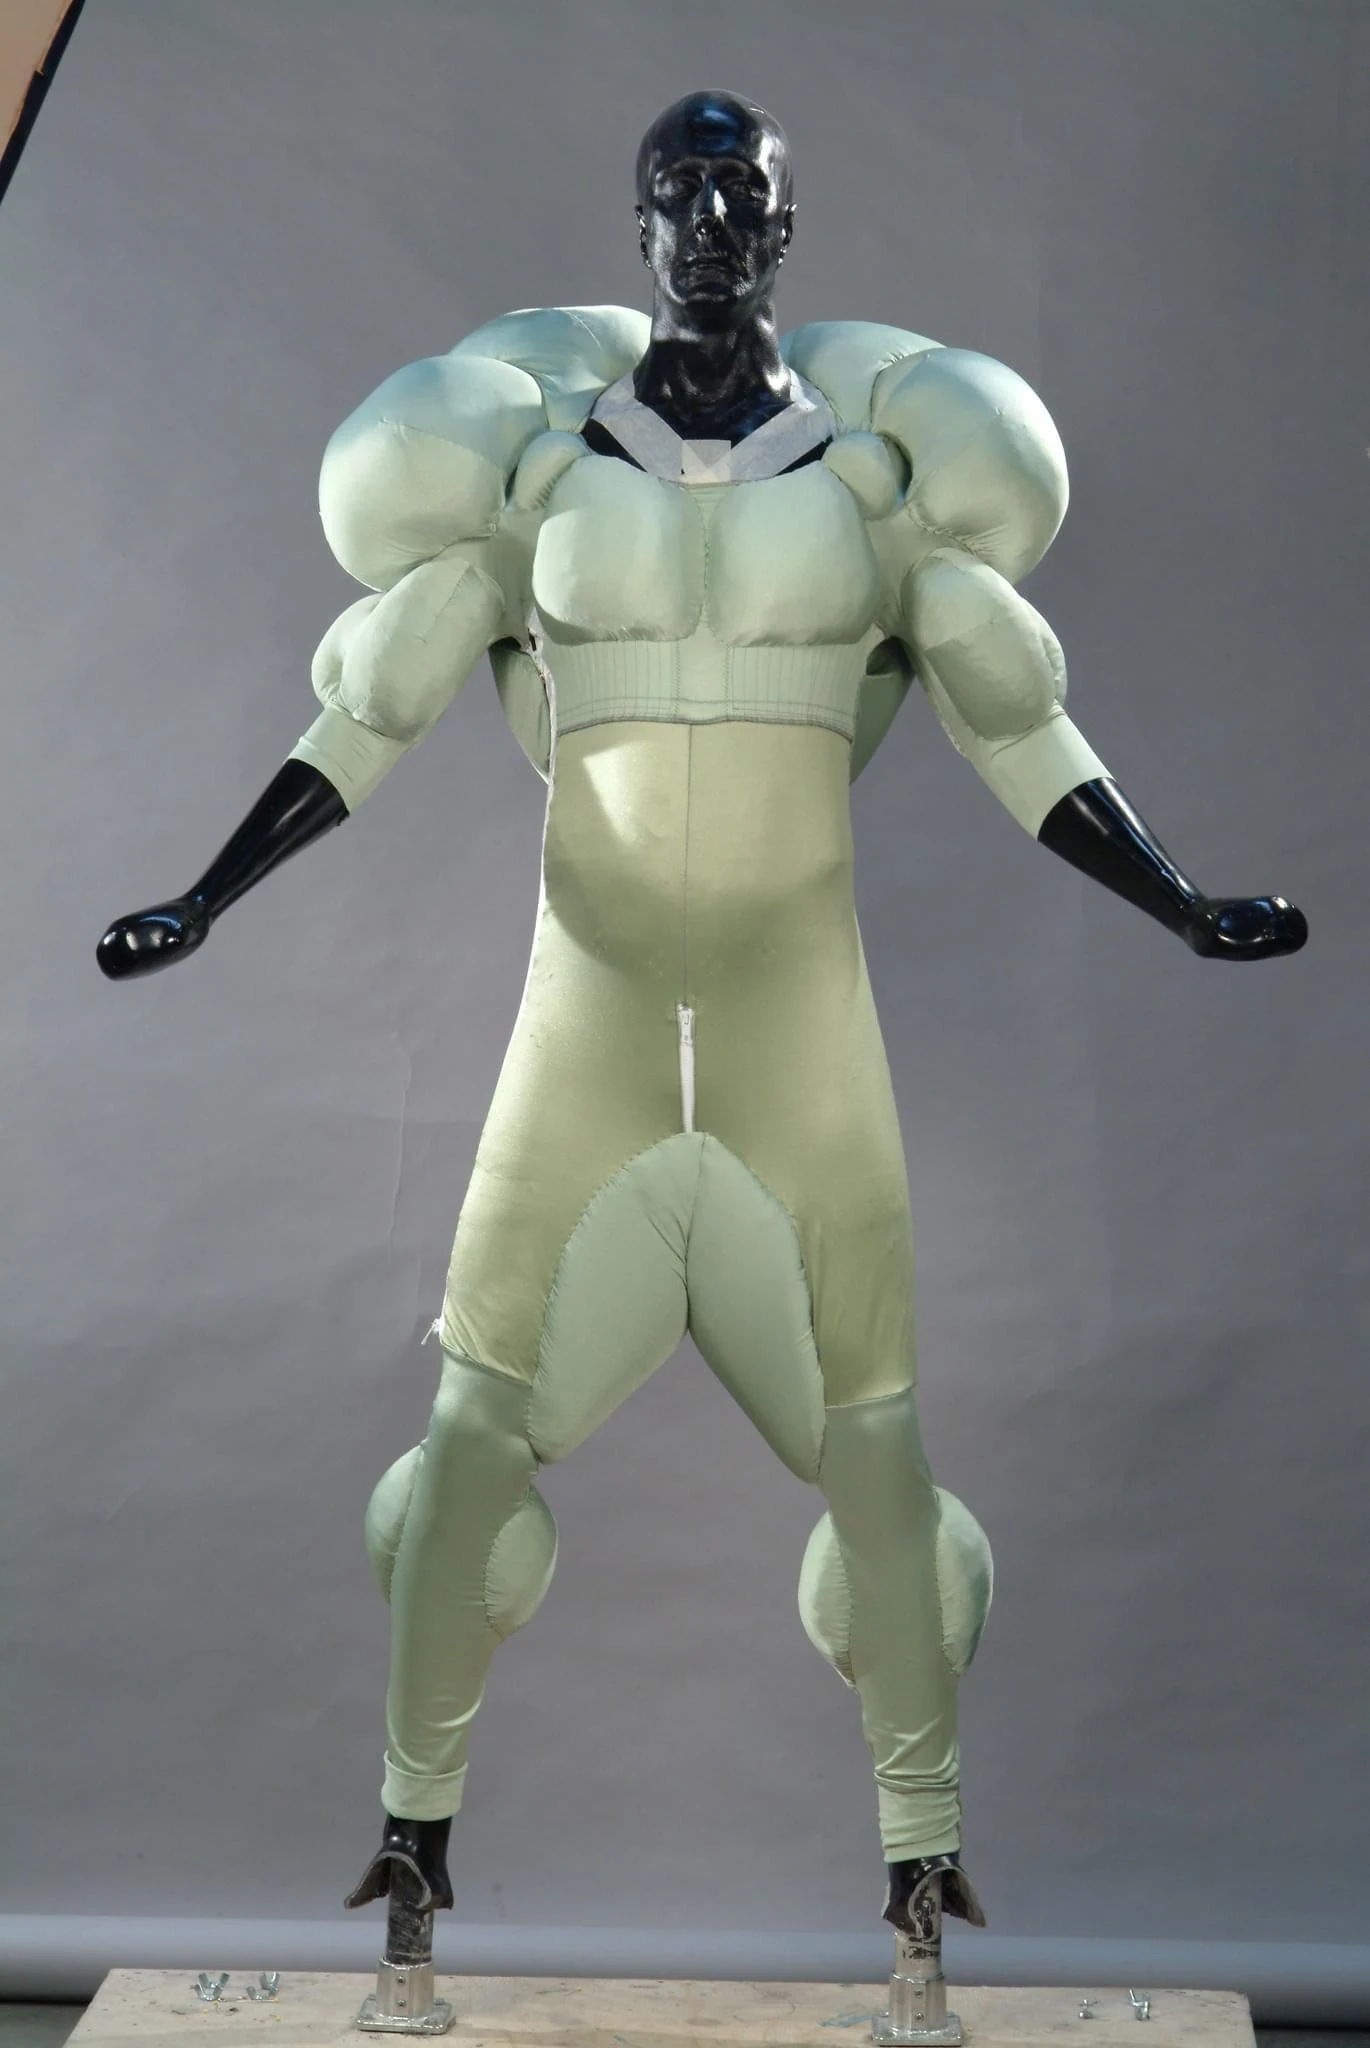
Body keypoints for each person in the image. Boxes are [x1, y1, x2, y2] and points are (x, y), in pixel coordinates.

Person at [98, 86, 1306, 2009]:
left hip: (794, 1047)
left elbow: (1014, 723)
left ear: (787, 226)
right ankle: (408, 1877)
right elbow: (373, 710)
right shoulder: (531, 482)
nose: (715, 222)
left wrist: (1179, 901)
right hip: (578, 1044)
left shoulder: (879, 498)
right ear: (640, 223)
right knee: (464, 1452)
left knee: (882, 1464)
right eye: (683, 191)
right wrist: (202, 896)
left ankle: (919, 1905)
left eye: (746, 193)